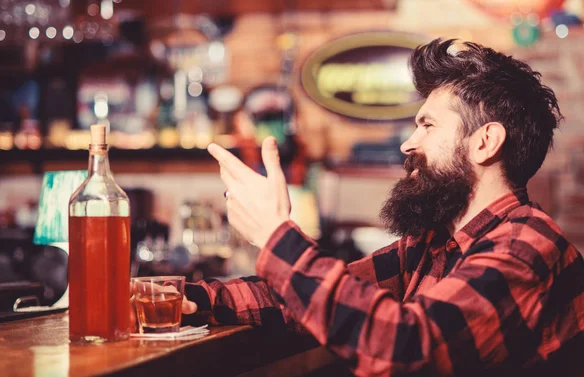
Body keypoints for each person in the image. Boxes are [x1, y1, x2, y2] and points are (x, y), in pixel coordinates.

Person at [179, 39, 584, 376]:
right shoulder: (433, 245)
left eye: (427, 125)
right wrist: (184, 296)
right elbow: (325, 294)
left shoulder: (526, 244)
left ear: (484, 142)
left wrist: (274, 236)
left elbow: (406, 348)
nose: (408, 143)